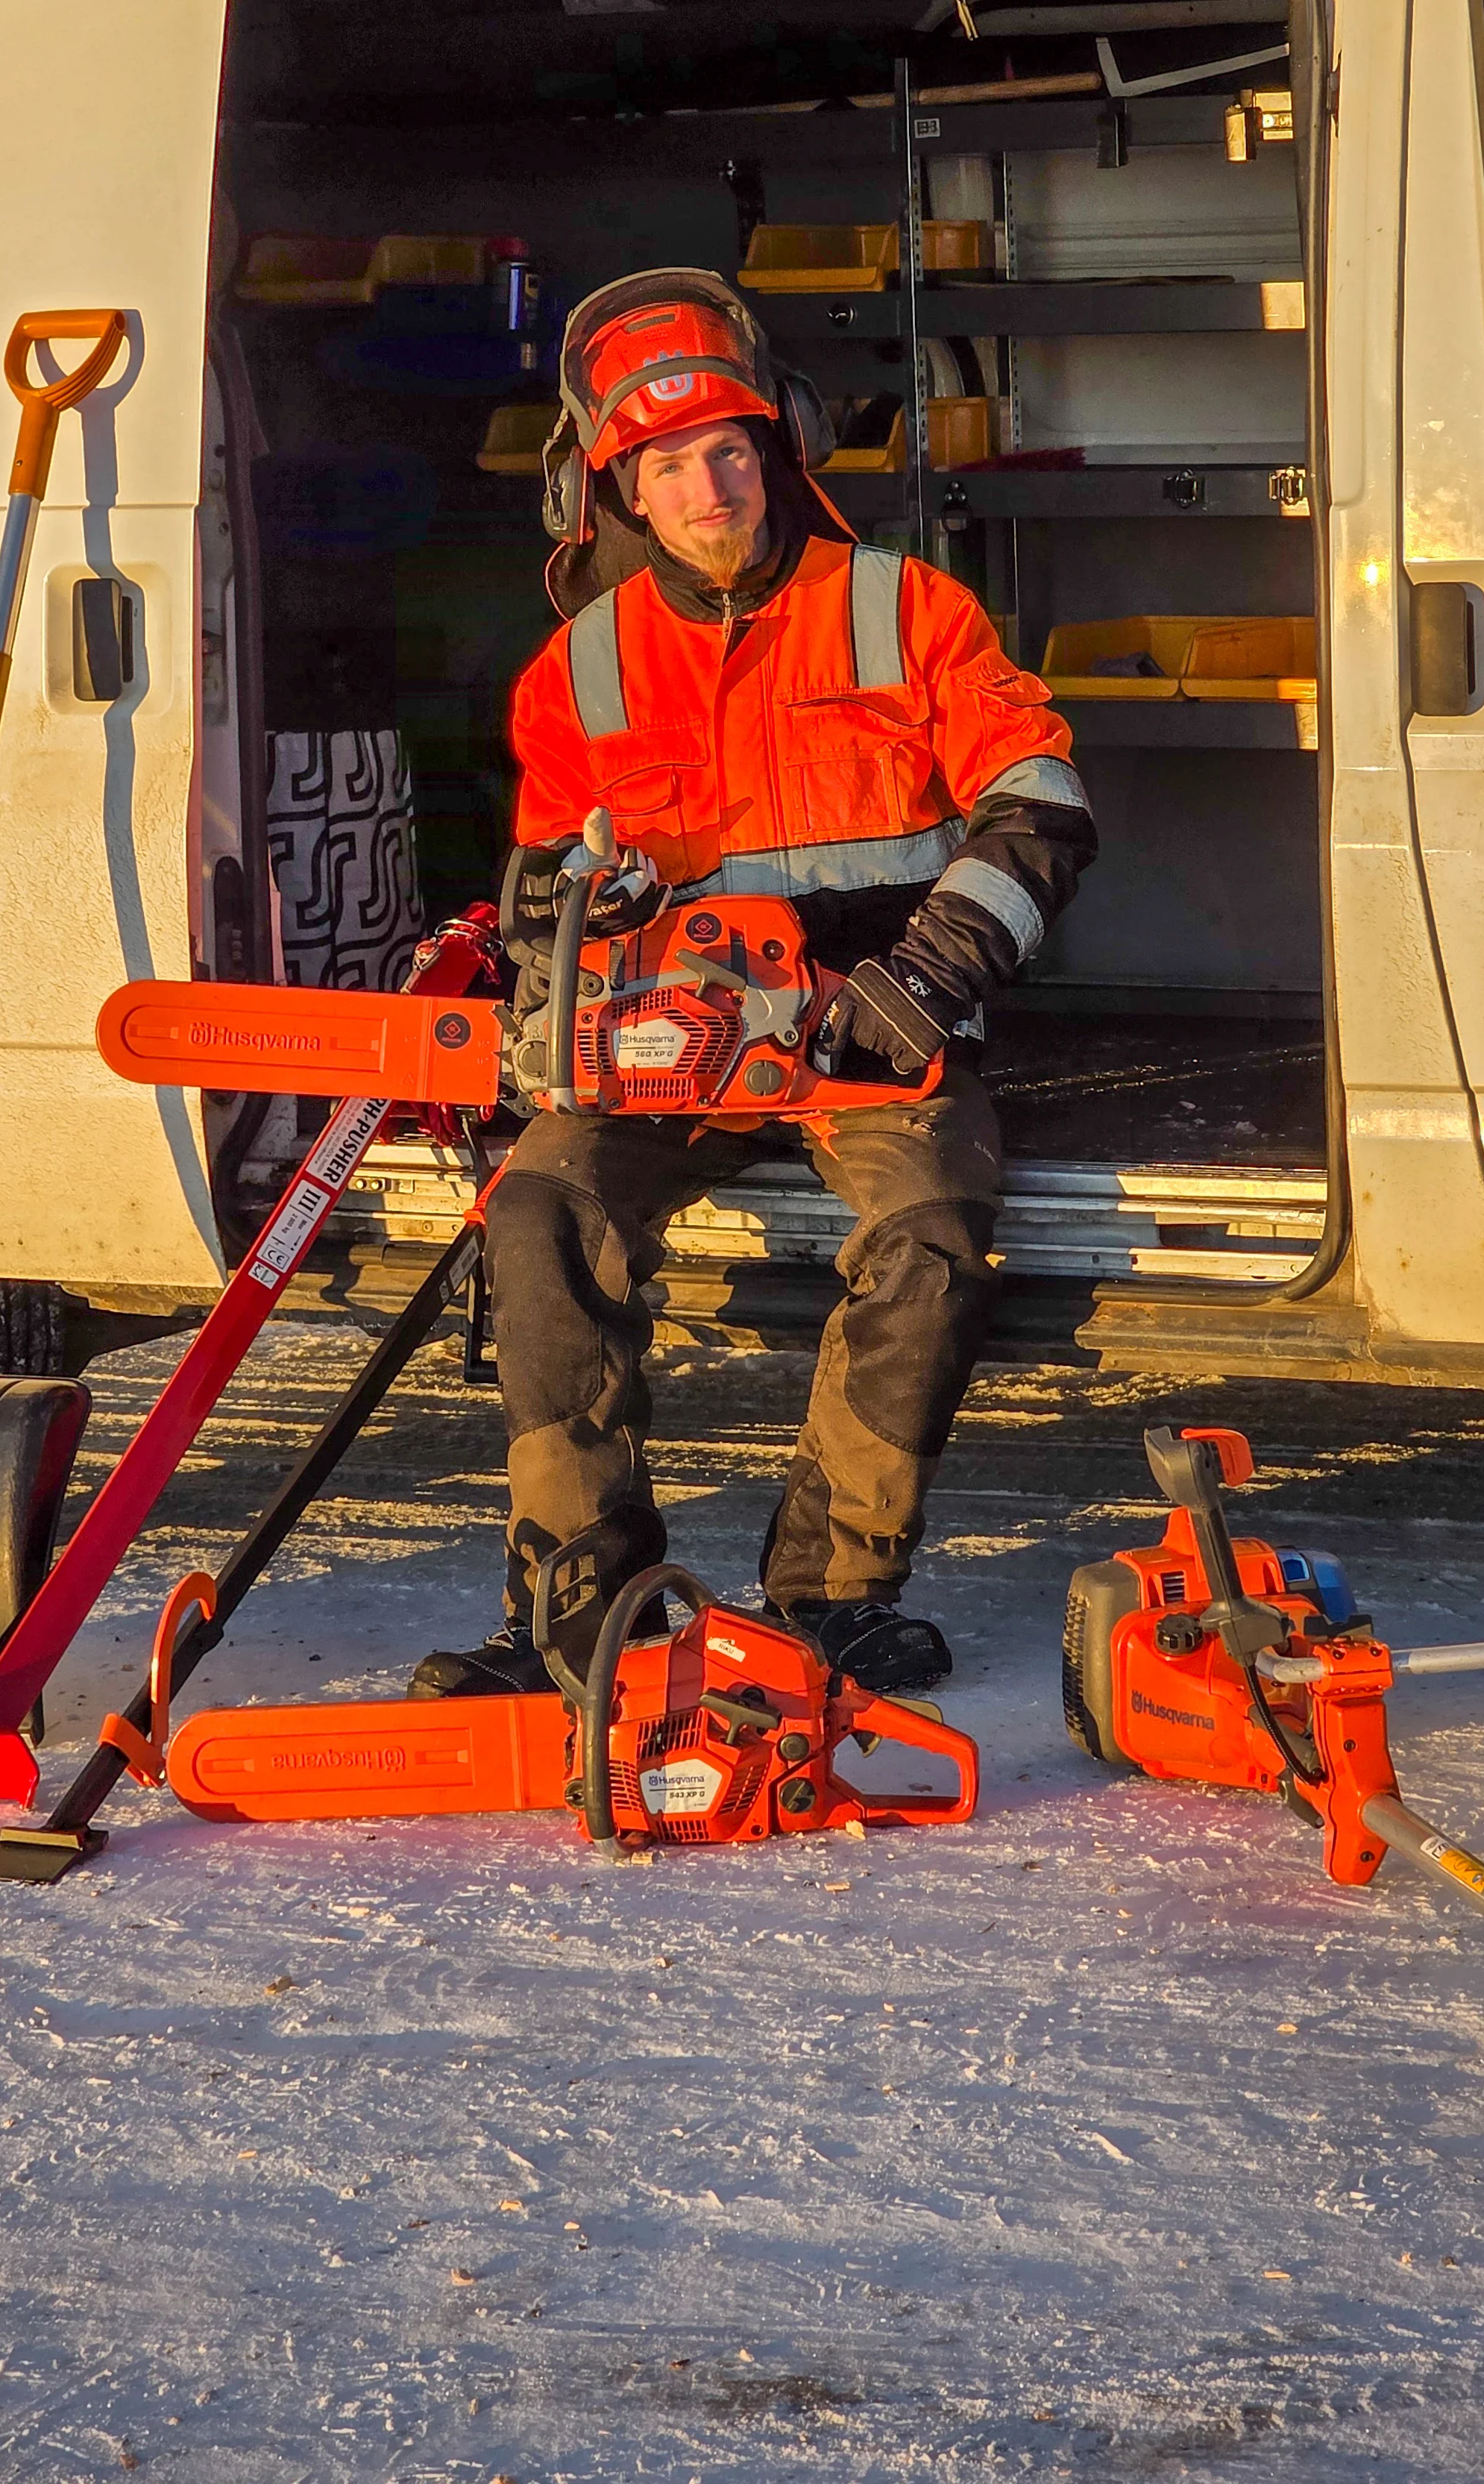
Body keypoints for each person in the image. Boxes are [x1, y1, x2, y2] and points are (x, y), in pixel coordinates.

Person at [412, 271, 1095, 1701]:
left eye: (728, 451)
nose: (709, 489)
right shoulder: (578, 668)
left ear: (778, 448)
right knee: (538, 1214)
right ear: (617, 492)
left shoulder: (907, 610)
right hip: (669, 1049)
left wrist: (929, 973)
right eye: (668, 466)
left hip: (872, 1032)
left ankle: (834, 1594)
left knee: (929, 1240)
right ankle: (581, 1601)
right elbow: (554, 886)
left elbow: (1041, 802)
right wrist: (560, 940)